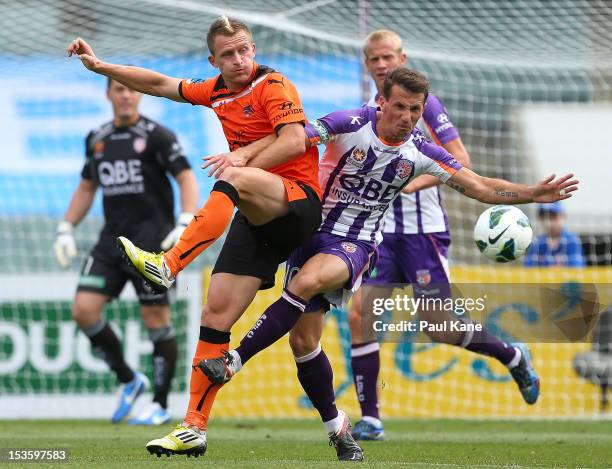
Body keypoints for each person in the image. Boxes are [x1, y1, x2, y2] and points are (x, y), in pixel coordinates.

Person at [199, 68, 578, 461]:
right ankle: (338, 427)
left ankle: (234, 359)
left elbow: (479, 186)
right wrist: (243, 155)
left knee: (309, 284)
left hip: (355, 243)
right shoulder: (349, 124)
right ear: (381, 102)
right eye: (400, 107)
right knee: (304, 343)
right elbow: (292, 139)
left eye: (415, 110)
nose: (408, 117)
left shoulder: (422, 151)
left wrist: (533, 193)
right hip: (309, 234)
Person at [67, 16, 329, 459]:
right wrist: (101, 67)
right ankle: (193, 426)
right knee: (215, 312)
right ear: (214, 61)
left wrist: (243, 154)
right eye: (228, 54)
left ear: (253, 48)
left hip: (298, 202)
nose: (240, 59)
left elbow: (295, 140)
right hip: (254, 208)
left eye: (245, 49)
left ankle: (167, 264)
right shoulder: (217, 91)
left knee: (233, 175)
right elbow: (158, 83)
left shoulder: (274, 85)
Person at [347, 29, 472, 440]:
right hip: (382, 236)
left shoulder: (425, 103)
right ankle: (371, 418)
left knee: (440, 327)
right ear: (366, 65)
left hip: (423, 233)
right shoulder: (367, 112)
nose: (382, 65)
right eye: (374, 60)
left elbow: (461, 160)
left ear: (402, 57)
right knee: (361, 316)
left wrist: (405, 182)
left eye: (388, 57)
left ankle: (512, 354)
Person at [53, 77, 199, 425]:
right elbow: (87, 186)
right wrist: (65, 227)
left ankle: (160, 405)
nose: (126, 96)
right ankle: (129, 379)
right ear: (109, 95)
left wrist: (184, 222)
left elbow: (186, 179)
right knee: (83, 311)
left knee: (156, 321)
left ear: (140, 95)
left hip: (151, 246)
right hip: (110, 244)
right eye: (119, 90)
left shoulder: (157, 135)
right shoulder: (97, 138)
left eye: (131, 90)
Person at [524, 201, 586, 267]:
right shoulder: (537, 243)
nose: (548, 221)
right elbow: (528, 268)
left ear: (563, 216)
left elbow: (576, 268)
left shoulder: (571, 240)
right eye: (545, 217)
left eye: (553, 216)